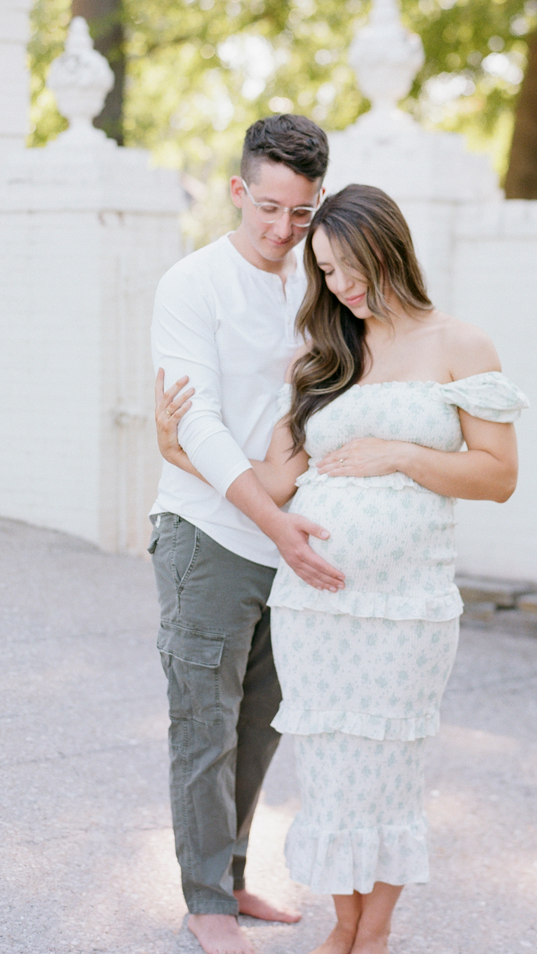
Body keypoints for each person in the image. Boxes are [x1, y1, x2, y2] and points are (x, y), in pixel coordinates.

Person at [157, 183, 529, 954]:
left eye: (347, 264)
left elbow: (497, 475)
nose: (339, 285)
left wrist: (401, 454)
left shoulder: (461, 343)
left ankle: (376, 931)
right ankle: (343, 926)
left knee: (387, 768)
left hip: (407, 606)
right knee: (329, 775)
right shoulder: (326, 355)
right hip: (314, 612)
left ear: (388, 243)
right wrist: (178, 448)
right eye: (324, 271)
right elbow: (276, 479)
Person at [148, 113, 346, 954]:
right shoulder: (191, 284)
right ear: (238, 190)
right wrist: (275, 519)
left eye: (300, 214)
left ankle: (229, 874)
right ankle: (205, 901)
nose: (281, 230)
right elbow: (199, 427)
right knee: (204, 719)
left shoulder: (317, 284)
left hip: (284, 539)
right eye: (268, 208)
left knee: (260, 721)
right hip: (207, 536)